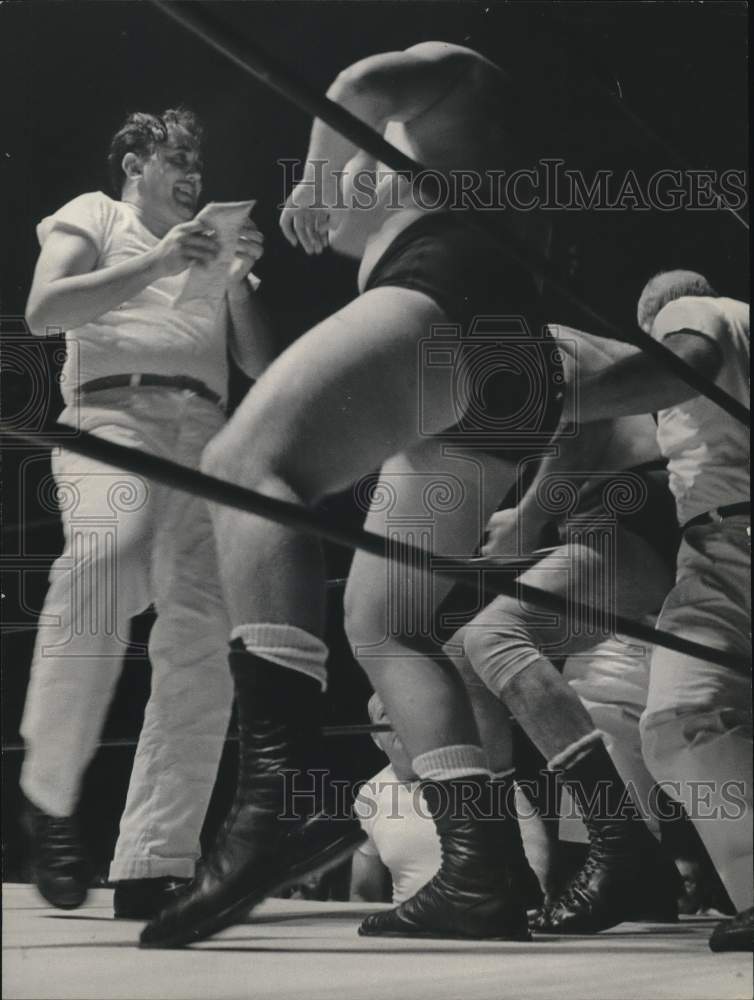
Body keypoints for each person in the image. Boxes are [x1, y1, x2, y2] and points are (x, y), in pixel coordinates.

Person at [141, 41, 566, 948]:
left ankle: (278, 799)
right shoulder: (468, 145)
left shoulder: (456, 63)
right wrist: (289, 233)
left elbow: (356, 86)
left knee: (243, 464)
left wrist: (314, 182)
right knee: (386, 622)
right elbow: (349, 231)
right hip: (507, 361)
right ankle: (480, 871)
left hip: (449, 293)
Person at [20, 107, 273, 919]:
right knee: (106, 558)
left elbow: (261, 364)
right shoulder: (96, 215)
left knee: (203, 631)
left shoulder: (214, 246)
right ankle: (51, 797)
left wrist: (237, 279)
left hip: (205, 433)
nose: (193, 173)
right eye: (177, 158)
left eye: (199, 161)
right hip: (112, 418)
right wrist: (160, 259)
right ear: (135, 163)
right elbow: (45, 310)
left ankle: (153, 861)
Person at [575, 270, 751, 952]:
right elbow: (665, 439)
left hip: (734, 538)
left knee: (681, 719)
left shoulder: (691, 312)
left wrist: (552, 399)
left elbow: (683, 364)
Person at [350, 694, 441, 905]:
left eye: (406, 708)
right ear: (376, 738)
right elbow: (362, 892)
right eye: (386, 713)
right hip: (407, 923)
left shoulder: (474, 779)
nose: (399, 718)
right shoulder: (369, 795)